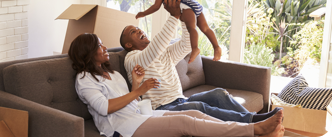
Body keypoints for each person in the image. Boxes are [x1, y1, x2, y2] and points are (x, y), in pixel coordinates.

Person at [69, 33, 285, 137]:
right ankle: (254, 129)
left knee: (197, 116)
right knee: (185, 121)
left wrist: (135, 84)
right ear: (87, 52)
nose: (105, 47)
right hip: (121, 127)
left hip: (138, 116)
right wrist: (140, 89)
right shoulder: (84, 79)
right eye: (99, 45)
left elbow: (131, 101)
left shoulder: (112, 73)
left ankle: (251, 129)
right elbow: (105, 108)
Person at [121, 0, 282, 123]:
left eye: (138, 28)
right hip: (161, 108)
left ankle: (256, 119)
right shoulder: (132, 58)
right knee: (199, 107)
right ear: (128, 44)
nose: (139, 31)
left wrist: (184, 19)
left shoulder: (164, 52)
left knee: (219, 93)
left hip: (180, 99)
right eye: (133, 32)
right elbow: (152, 52)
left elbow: (186, 45)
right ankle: (254, 123)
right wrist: (174, 16)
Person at [135, 0, 221, 63]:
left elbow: (156, 6)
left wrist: (143, 13)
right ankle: (216, 47)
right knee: (206, 28)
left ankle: (195, 48)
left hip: (186, 7)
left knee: (192, 28)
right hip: (194, 4)